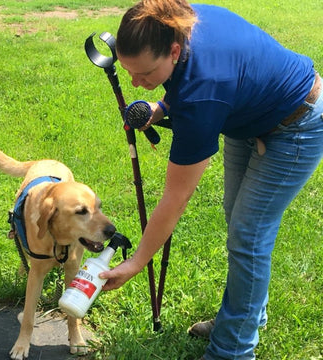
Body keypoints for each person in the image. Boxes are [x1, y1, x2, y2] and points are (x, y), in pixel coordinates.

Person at [98, 0, 323, 359]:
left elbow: (175, 198)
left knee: (248, 236)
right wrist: (163, 107)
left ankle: (233, 349)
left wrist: (137, 261)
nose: (137, 83)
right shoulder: (177, 21)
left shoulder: (202, 95)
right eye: (129, 72)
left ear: (173, 51)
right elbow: (193, 73)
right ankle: (246, 316)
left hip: (296, 126)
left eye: (145, 73)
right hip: (247, 115)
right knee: (238, 220)